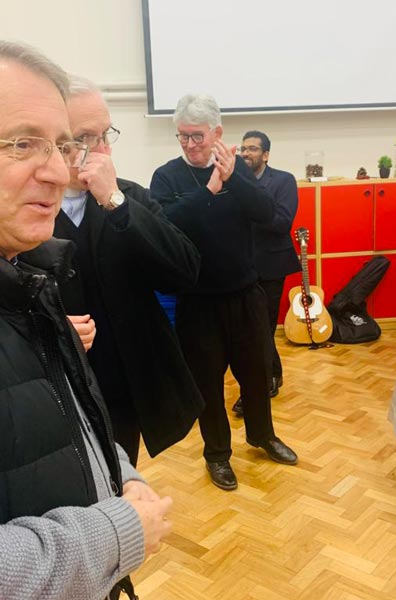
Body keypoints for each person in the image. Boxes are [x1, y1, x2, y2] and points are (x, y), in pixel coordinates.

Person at [0, 40, 172, 600]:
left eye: (63, 144)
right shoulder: (31, 251)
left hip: (124, 382)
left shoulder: (26, 272)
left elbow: (183, 268)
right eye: (24, 143)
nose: (59, 168)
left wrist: (119, 476)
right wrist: (116, 532)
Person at [53, 76, 204, 467]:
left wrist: (115, 203)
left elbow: (184, 271)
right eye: (84, 138)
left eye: (106, 135)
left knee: (122, 475)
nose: (102, 151)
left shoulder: (130, 197)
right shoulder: (26, 207)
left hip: (124, 383)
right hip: (57, 388)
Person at [150, 94, 298, 492]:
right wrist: (211, 189)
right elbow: (166, 225)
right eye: (182, 136)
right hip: (198, 301)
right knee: (208, 384)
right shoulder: (167, 177)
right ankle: (217, 454)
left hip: (246, 294)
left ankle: (262, 436)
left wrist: (233, 179)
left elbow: (267, 213)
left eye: (196, 136)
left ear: (217, 133)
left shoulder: (240, 171)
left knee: (257, 373)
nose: (189, 144)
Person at [232, 131, 300, 416]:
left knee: (263, 327)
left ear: (266, 155)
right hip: (240, 266)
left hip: (271, 266)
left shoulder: (283, 181)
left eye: (252, 149)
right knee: (250, 329)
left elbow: (282, 221)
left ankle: (255, 390)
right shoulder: (233, 180)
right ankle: (273, 374)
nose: (246, 153)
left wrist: (250, 210)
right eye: (243, 148)